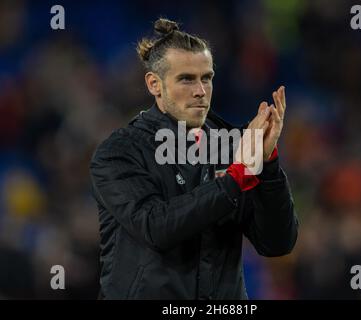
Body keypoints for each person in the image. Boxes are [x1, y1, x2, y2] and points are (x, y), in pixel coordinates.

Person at [89, 18, 298, 300]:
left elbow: (277, 243)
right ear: (154, 84)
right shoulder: (120, 152)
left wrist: (268, 163)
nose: (200, 90)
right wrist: (236, 178)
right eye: (186, 79)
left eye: (206, 78)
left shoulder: (231, 147)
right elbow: (155, 227)